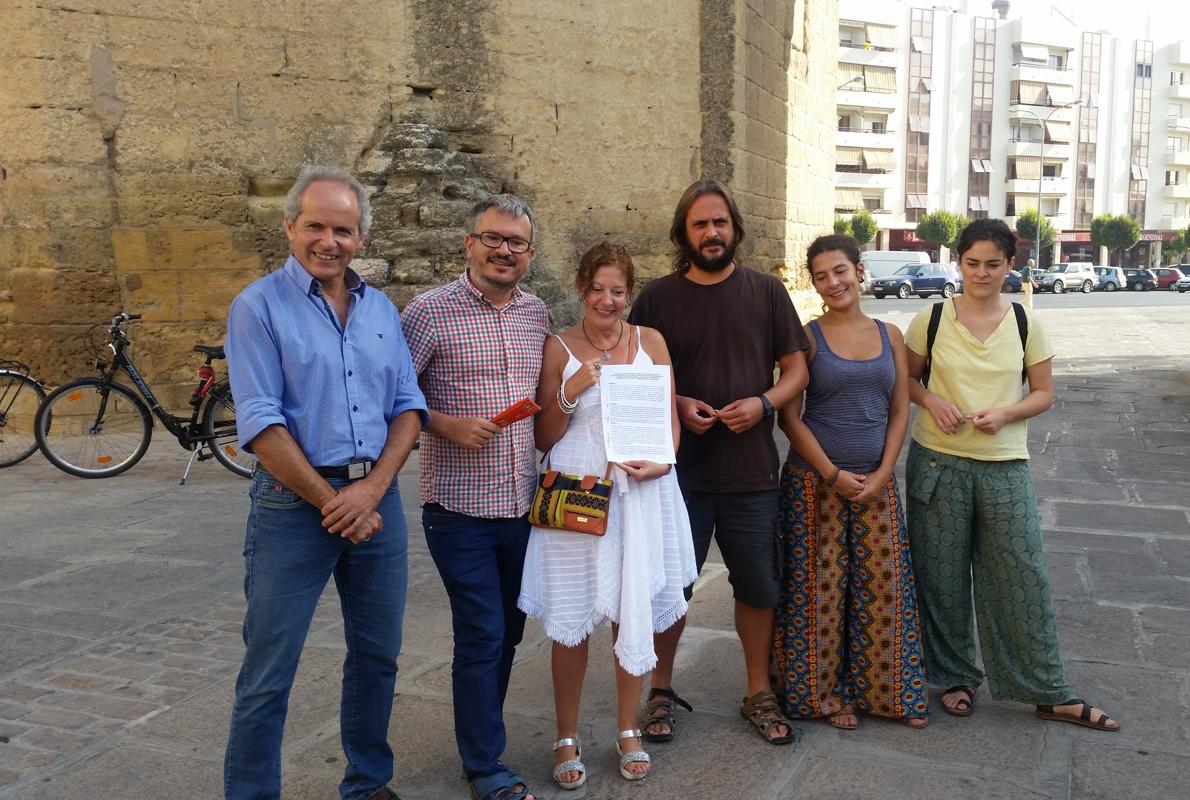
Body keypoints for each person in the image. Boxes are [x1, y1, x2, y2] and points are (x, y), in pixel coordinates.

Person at [223, 165, 428, 800]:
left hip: (377, 502)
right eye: (315, 225)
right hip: (292, 506)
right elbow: (260, 423)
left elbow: (407, 406)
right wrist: (334, 499)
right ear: (290, 226)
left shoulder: (381, 309)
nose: (328, 241)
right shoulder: (257, 307)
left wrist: (371, 492)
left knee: (378, 658)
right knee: (269, 671)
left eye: (343, 229)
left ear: (360, 237)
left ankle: (367, 785)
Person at [904, 218, 1119, 732]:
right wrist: (932, 400)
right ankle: (956, 676)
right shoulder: (930, 319)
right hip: (938, 461)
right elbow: (907, 380)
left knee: (1022, 575)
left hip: (1005, 465)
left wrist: (1005, 414)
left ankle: (1047, 689)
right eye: (973, 263)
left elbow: (1043, 393)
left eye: (993, 264)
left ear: (1011, 265)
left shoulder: (1025, 322)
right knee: (941, 576)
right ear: (958, 262)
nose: (982, 273)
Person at [627, 179, 809, 746]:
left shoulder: (767, 292)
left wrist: (763, 404)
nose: (712, 233)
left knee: (758, 585)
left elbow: (797, 370)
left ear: (735, 229)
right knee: (670, 588)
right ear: (684, 231)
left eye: (721, 223)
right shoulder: (656, 298)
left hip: (752, 473)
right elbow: (635, 376)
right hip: (677, 475)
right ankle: (659, 690)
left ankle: (758, 691)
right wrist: (676, 402)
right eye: (701, 224)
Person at [518, 242, 698, 789]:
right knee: (572, 621)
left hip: (641, 494)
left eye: (618, 291)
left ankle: (627, 729)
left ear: (629, 294)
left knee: (631, 611)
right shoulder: (559, 348)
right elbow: (543, 437)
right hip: (579, 490)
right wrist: (570, 393)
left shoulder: (652, 342)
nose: (607, 300)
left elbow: (670, 419)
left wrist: (662, 464)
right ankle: (566, 736)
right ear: (581, 288)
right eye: (597, 289)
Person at [401, 195, 549, 800]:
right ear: (469, 243)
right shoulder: (428, 312)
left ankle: (480, 742)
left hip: (523, 504)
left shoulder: (536, 313)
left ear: (529, 255)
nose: (503, 251)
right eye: (493, 238)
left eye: (516, 243)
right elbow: (394, 397)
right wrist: (446, 425)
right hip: (458, 508)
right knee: (483, 632)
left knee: (510, 632)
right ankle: (485, 766)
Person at [773, 234, 929, 730]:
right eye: (821, 275)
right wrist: (832, 474)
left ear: (859, 271)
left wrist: (884, 472)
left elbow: (900, 407)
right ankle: (819, 696)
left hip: (877, 488)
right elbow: (789, 417)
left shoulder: (892, 336)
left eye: (840, 270)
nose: (833, 282)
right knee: (818, 593)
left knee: (883, 590)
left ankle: (887, 695)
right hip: (813, 486)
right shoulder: (807, 338)